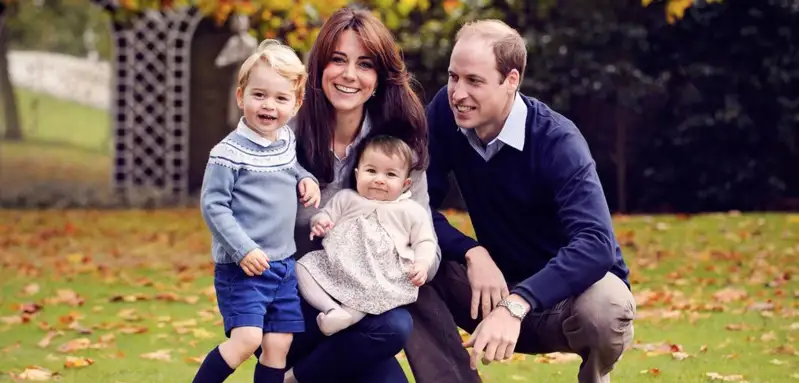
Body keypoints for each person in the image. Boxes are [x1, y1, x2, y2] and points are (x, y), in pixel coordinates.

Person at [404, 19, 636, 383]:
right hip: (489, 288)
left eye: (474, 81)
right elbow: (412, 207)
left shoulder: (557, 141)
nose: (458, 93)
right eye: (453, 77)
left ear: (511, 80)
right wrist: (471, 252)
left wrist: (518, 303)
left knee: (607, 307)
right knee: (404, 262)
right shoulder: (447, 117)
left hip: (563, 301)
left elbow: (597, 244)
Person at [252, 7, 439, 383]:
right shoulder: (284, 136)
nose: (350, 75)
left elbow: (426, 240)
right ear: (319, 68)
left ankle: (296, 378)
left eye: (365, 64)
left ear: (379, 78)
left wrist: (404, 266)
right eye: (338, 60)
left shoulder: (398, 148)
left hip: (365, 308)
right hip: (292, 301)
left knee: (393, 326)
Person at [193, 39, 321, 383]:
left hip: (282, 265)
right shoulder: (227, 153)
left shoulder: (285, 142)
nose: (269, 106)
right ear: (241, 97)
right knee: (247, 340)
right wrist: (243, 248)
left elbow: (292, 169)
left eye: (281, 98)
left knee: (279, 342)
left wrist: (307, 180)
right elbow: (213, 205)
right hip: (243, 267)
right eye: (259, 95)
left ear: (296, 105)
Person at [296, 135, 437, 336]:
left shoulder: (410, 211)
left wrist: (422, 264)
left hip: (380, 274)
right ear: (357, 173)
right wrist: (320, 223)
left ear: (405, 184)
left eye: (390, 174)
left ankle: (346, 317)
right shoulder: (347, 198)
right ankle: (331, 309)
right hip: (338, 266)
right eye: (371, 171)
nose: (379, 179)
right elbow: (325, 215)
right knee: (302, 267)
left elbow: (425, 241)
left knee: (369, 293)